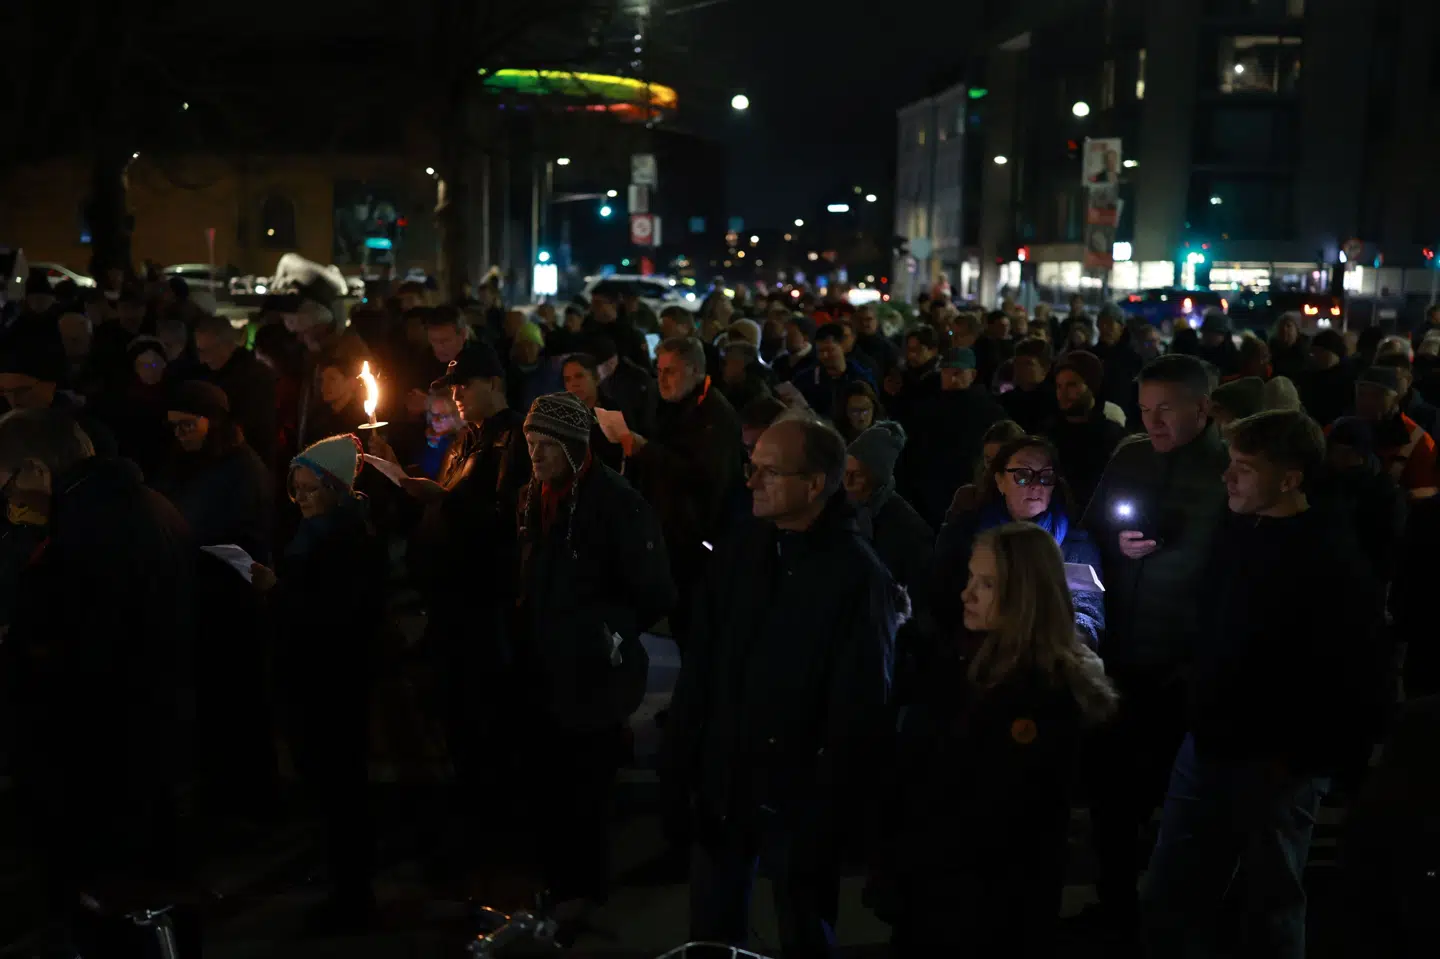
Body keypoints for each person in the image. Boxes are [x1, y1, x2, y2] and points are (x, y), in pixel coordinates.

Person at [1142, 410, 1383, 958]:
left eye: (1244, 468)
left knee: (1270, 900)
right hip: (1209, 739)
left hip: (1277, 760)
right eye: (1230, 464)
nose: (1228, 477)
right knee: (1174, 888)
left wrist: (1304, 758)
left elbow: (1351, 673)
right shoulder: (1239, 528)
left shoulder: (1330, 558)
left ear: (1289, 478)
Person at [662, 413, 901, 957]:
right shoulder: (743, 549)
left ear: (814, 485)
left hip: (797, 798)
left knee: (804, 931)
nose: (751, 481)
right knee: (711, 936)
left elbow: (860, 702)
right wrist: (682, 760)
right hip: (724, 779)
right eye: (752, 467)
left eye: (769, 472)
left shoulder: (856, 576)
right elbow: (703, 664)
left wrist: (826, 797)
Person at [872, 523, 1117, 956]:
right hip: (937, 888)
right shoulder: (969, 659)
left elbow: (993, 812)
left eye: (986, 585)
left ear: (1025, 595)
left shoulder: (1040, 692)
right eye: (971, 579)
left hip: (981, 908)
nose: (967, 594)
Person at [0, 408, 194, 954]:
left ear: (34, 470)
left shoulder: (79, 527)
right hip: (142, 733)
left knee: (105, 904)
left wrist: (25, 539)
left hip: (94, 747)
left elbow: (34, 619)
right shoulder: (137, 502)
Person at [1076, 352, 1229, 939]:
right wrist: (1117, 544)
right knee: (1112, 802)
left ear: (1204, 407)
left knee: (1187, 809)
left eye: (1166, 410)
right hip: (1120, 660)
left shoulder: (1229, 470)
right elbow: (1088, 535)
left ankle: (1179, 921)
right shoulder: (1131, 456)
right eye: (1144, 410)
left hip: (1186, 668)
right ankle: (1114, 909)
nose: (1154, 423)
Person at [513, 393, 675, 924]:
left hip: (594, 672)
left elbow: (653, 591)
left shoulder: (617, 503)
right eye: (530, 443)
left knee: (587, 789)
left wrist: (607, 632)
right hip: (545, 665)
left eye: (545, 445)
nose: (534, 455)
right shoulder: (536, 494)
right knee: (551, 783)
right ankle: (558, 882)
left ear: (574, 445)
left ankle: (585, 891)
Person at [252, 435, 385, 930]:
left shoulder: (348, 539)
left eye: (311, 490)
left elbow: (336, 616)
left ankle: (352, 897)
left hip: (332, 685)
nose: (302, 499)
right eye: (297, 491)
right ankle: (338, 878)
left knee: (341, 791)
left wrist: (277, 592)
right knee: (327, 789)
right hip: (309, 680)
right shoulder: (318, 533)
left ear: (336, 488)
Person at [603, 337, 743, 649]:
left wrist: (646, 450)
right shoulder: (670, 404)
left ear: (694, 370)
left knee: (694, 626)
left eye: (671, 371)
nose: (662, 379)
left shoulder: (714, 415)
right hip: (668, 530)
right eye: (660, 370)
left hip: (696, 539)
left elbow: (705, 476)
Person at [932, 434, 1104, 649]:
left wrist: (1060, 638)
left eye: (1046, 476)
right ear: (1000, 481)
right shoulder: (966, 535)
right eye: (1022, 475)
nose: (1035, 485)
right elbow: (943, 604)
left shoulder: (1076, 545)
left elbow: (1087, 617)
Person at [898, 346, 1005, 529]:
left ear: (972, 375)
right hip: (929, 495)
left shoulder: (989, 411)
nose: (952, 378)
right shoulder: (927, 409)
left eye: (958, 372)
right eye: (946, 372)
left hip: (971, 493)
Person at [1046, 350, 1127, 513]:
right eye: (1059, 386)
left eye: (1072, 385)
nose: (1063, 393)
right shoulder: (1048, 436)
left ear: (1091, 387)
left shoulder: (1111, 435)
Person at [193, 314, 278, 467]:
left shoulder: (254, 378)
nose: (202, 359)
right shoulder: (214, 373)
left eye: (206, 351)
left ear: (226, 345)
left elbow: (255, 428)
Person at [1349, 364, 1438, 497]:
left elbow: (1429, 491)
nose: (1367, 402)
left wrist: (1402, 498)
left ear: (1396, 399)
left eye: (1377, 395)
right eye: (1361, 394)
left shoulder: (1417, 441)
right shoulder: (1340, 428)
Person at [561, 353, 624, 471]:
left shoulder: (611, 410)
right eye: (567, 379)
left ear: (595, 379)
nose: (573, 384)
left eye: (579, 376)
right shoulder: (565, 415)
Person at [999, 337, 1057, 433]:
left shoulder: (1055, 401)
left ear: (1045, 368)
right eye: (1017, 363)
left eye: (1028, 364)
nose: (1020, 368)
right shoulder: (1005, 401)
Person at [1300, 329, 1352, 428]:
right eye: (1314, 352)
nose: (1317, 356)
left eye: (1322, 351)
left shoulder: (1349, 376)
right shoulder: (1309, 376)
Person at [1269, 312, 1309, 382]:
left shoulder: (1305, 351)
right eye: (1281, 326)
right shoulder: (1271, 351)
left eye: (1288, 326)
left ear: (1297, 330)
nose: (1284, 329)